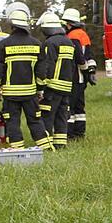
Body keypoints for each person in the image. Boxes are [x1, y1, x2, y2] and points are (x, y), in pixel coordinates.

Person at [0, 8, 53, 151]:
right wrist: (40, 90)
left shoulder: (3, 45)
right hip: (30, 93)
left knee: (12, 121)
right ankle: (46, 148)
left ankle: (17, 149)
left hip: (10, 94)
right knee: (35, 120)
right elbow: (41, 71)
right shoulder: (36, 44)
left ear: (12, 26)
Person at [38, 12, 85, 150]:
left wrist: (41, 86)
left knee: (47, 116)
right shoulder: (68, 42)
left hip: (52, 87)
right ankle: (61, 144)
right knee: (61, 116)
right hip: (66, 87)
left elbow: (47, 66)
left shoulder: (49, 43)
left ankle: (47, 144)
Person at [61, 8, 96, 140]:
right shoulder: (83, 34)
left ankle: (69, 134)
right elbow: (89, 55)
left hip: (74, 76)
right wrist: (90, 72)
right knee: (79, 107)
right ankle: (80, 133)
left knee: (70, 106)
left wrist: (85, 69)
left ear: (69, 24)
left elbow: (79, 57)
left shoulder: (72, 36)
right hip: (82, 78)